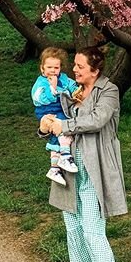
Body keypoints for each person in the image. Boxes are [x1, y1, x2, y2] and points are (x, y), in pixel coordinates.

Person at [39, 46, 129, 262]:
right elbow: (52, 116)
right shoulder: (71, 90)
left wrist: (64, 124)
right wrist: (45, 126)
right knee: (74, 232)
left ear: (95, 69)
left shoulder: (108, 91)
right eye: (74, 66)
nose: (73, 70)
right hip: (67, 171)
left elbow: (97, 120)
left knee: (93, 232)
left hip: (94, 172)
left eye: (79, 66)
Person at [31, 47, 79, 185]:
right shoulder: (41, 82)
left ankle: (54, 168)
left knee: (55, 138)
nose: (53, 70)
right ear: (42, 68)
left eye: (56, 67)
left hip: (61, 109)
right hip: (48, 110)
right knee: (63, 129)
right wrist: (52, 89)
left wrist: (76, 92)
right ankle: (65, 156)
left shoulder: (63, 78)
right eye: (49, 67)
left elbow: (72, 86)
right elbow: (38, 97)